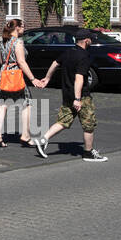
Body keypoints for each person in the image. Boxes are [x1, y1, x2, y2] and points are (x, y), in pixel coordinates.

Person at [33, 33, 107, 162]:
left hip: (67, 94)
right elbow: (79, 77)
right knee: (89, 125)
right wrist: (77, 99)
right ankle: (88, 153)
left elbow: (55, 63)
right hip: (81, 96)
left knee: (63, 121)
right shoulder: (84, 56)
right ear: (86, 40)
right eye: (90, 40)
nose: (91, 42)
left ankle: (43, 139)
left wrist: (47, 78)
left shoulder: (68, 51)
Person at [0, 19, 40, 147]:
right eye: (23, 26)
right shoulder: (18, 42)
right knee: (27, 103)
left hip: (3, 75)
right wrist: (33, 79)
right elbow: (22, 62)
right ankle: (25, 136)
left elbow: (1, 61)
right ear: (17, 28)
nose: (24, 28)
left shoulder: (3, 42)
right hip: (16, 75)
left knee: (2, 105)